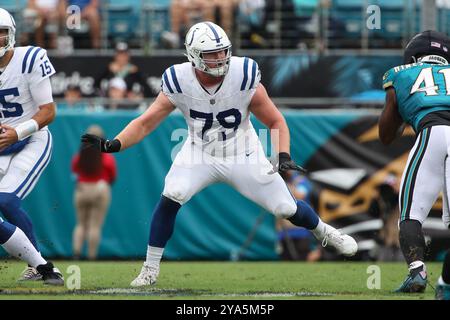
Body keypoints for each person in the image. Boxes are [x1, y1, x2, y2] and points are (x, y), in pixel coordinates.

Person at [82, 21, 357, 287]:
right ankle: (150, 269)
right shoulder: (179, 80)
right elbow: (146, 121)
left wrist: (282, 153)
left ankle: (324, 231)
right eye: (212, 54)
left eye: (223, 51)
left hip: (243, 153)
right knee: (173, 193)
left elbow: (275, 120)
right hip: (198, 152)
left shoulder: (243, 74)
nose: (220, 58)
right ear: (194, 56)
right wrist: (113, 144)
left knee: (285, 207)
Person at [379, 30, 450, 293]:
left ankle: (418, 272)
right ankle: (446, 284)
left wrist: (403, 113)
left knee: (410, 215)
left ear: (413, 55)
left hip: (431, 132)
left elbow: (385, 135)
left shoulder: (400, 73)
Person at [0, 8, 63, 285]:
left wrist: (18, 131)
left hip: (32, 139)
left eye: (0, 33)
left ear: (11, 34)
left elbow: (48, 111)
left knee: (6, 202)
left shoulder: (30, 58)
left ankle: (41, 266)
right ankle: (39, 265)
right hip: (2, 145)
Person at [72, 125, 116, 260]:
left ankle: (77, 253)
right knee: (94, 226)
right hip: (100, 190)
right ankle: (91, 256)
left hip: (81, 189)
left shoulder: (79, 157)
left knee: (80, 224)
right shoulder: (107, 158)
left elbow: (74, 172)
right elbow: (113, 176)